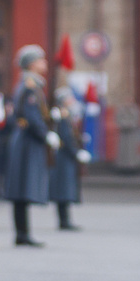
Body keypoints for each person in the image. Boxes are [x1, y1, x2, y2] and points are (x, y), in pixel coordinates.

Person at [4, 45, 56, 246]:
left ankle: (23, 233)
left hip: (26, 138)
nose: (44, 63)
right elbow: (32, 116)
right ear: (32, 63)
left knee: (23, 187)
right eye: (40, 59)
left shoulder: (32, 84)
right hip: (27, 140)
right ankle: (21, 234)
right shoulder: (30, 85)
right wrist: (45, 134)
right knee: (22, 187)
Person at [50, 82, 88, 231]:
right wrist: (76, 152)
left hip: (65, 156)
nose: (72, 100)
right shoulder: (63, 116)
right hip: (64, 157)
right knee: (63, 189)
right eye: (69, 98)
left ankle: (65, 219)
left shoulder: (66, 115)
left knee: (66, 188)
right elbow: (66, 138)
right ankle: (64, 220)